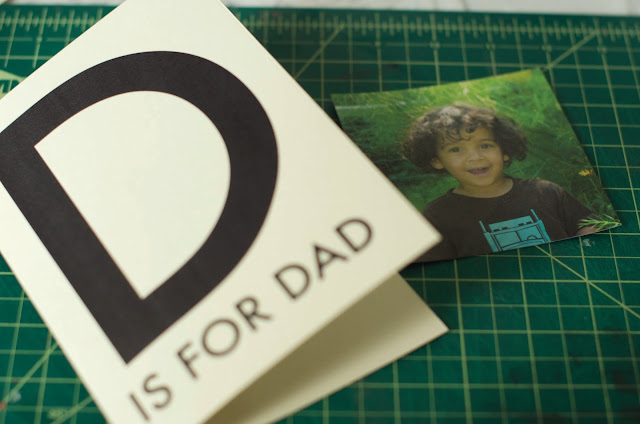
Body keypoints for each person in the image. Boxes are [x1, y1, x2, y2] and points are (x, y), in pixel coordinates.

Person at [401, 103, 596, 262]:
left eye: (485, 145)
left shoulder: (545, 191)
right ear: (436, 160)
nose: (475, 157)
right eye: (455, 149)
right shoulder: (438, 215)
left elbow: (587, 224)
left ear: (505, 150)